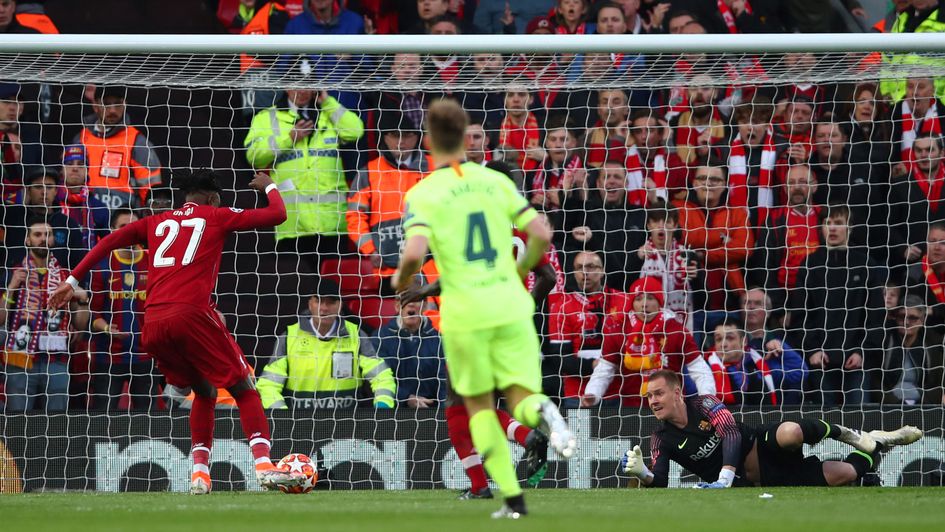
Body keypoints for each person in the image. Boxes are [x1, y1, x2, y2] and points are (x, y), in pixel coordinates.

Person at [49, 169, 305, 495]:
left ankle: (200, 474)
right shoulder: (216, 215)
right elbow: (278, 214)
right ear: (212, 198)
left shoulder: (155, 222)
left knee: (204, 390)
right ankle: (265, 467)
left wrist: (72, 282)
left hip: (153, 322)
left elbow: (109, 241)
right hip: (191, 314)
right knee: (244, 387)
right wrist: (268, 184)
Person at [392, 99, 575, 519]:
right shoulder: (496, 188)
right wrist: (517, 277)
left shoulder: (427, 191)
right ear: (467, 139)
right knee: (515, 396)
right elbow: (541, 236)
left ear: (428, 141)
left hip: (469, 314)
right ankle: (539, 421)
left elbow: (418, 256)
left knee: (466, 407)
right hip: (512, 310)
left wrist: (404, 282)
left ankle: (485, 486)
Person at [620, 370, 923, 488]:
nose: (652, 400)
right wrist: (641, 472)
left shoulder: (705, 404)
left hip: (759, 445)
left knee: (791, 432)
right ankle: (878, 446)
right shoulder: (660, 438)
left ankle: (850, 435)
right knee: (847, 475)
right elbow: (658, 481)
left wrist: (724, 476)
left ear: (677, 392)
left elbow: (732, 433)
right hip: (765, 480)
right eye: (648, 396)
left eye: (658, 393)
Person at [245, 87, 364, 276]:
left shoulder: (328, 113)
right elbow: (253, 156)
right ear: (286, 87)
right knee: (298, 288)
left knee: (332, 286)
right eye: (296, 85)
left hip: (331, 223)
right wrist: (289, 138)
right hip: (293, 223)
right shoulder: (266, 117)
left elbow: (356, 131)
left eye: (307, 86)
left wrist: (327, 101)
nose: (302, 91)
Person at [788, 204, 885, 406]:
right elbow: (801, 314)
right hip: (820, 361)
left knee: (859, 421)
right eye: (827, 223)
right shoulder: (810, 265)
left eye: (838, 223)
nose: (832, 228)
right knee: (825, 423)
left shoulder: (866, 264)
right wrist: (812, 350)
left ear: (850, 227)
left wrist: (862, 352)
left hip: (856, 361)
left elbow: (875, 315)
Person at [256, 279, 397, 409]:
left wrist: (383, 407)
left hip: (347, 424)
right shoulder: (288, 337)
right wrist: (282, 416)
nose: (324, 308)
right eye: (319, 301)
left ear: (340, 305)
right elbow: (268, 385)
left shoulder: (356, 335)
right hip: (298, 425)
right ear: (310, 304)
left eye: (330, 302)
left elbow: (382, 376)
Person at [581, 276, 715, 407]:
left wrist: (707, 397)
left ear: (660, 302)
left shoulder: (676, 330)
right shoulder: (619, 330)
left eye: (650, 298)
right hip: (632, 409)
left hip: (672, 408)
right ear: (632, 303)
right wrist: (592, 393)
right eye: (638, 299)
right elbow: (604, 369)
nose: (644, 304)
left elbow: (699, 368)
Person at [2, 219, 89, 412]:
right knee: (18, 422)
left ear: (53, 240)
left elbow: (80, 324)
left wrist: (83, 300)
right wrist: (11, 287)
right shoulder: (12, 272)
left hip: (56, 360)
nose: (43, 239)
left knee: (56, 424)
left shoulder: (67, 277)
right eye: (37, 235)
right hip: (20, 359)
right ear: (27, 240)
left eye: (48, 235)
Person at [346, 111, 430, 290]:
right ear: (384, 138)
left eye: (407, 135)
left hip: (431, 265)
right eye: (394, 135)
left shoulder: (434, 167)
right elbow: (355, 216)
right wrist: (370, 250)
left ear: (417, 137)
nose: (401, 141)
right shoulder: (368, 172)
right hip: (387, 268)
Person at [87, 209, 155, 410]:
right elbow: (93, 315)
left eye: (133, 226)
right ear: (112, 231)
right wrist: (108, 329)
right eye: (123, 227)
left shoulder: (154, 262)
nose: (129, 231)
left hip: (146, 355)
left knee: (149, 419)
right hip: (109, 357)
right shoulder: (102, 265)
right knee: (103, 416)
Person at [546, 251, 625, 407]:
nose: (584, 273)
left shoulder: (623, 300)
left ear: (602, 270)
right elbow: (560, 358)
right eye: (579, 268)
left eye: (590, 267)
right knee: (579, 433)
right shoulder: (562, 306)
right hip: (577, 395)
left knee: (621, 432)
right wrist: (594, 365)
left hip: (618, 393)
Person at [73, 86, 163, 210]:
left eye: (118, 104)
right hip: (85, 216)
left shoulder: (137, 141)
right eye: (106, 104)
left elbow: (151, 190)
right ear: (96, 106)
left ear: (125, 104)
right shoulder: (82, 137)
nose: (113, 110)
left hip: (123, 220)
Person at [740, 286, 808, 404]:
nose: (751, 307)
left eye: (757, 303)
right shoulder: (730, 338)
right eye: (746, 303)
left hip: (777, 401)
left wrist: (781, 349)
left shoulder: (783, 338)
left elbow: (801, 372)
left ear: (768, 312)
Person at [375, 297, 445, 408]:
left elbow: (444, 384)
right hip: (394, 412)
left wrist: (442, 416)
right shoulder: (379, 338)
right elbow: (377, 380)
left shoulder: (439, 340)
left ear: (425, 305)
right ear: (397, 306)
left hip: (431, 412)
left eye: (416, 299)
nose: (411, 303)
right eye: (406, 299)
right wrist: (405, 397)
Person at [878, 294, 945, 404]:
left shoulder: (932, 346)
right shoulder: (884, 342)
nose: (906, 322)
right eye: (901, 316)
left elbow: (938, 384)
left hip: (922, 406)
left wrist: (923, 402)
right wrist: (896, 405)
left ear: (922, 320)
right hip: (889, 406)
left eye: (913, 318)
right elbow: (876, 383)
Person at [705, 319, 781, 406]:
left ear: (744, 341)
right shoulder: (705, 369)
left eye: (730, 338)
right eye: (718, 339)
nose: (723, 344)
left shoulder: (762, 360)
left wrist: (781, 345)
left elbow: (797, 373)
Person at [60, 145, 110, 249]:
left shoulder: (99, 207)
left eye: (80, 164)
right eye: (69, 164)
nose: (75, 168)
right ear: (62, 170)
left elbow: (107, 246)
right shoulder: (52, 202)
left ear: (87, 170)